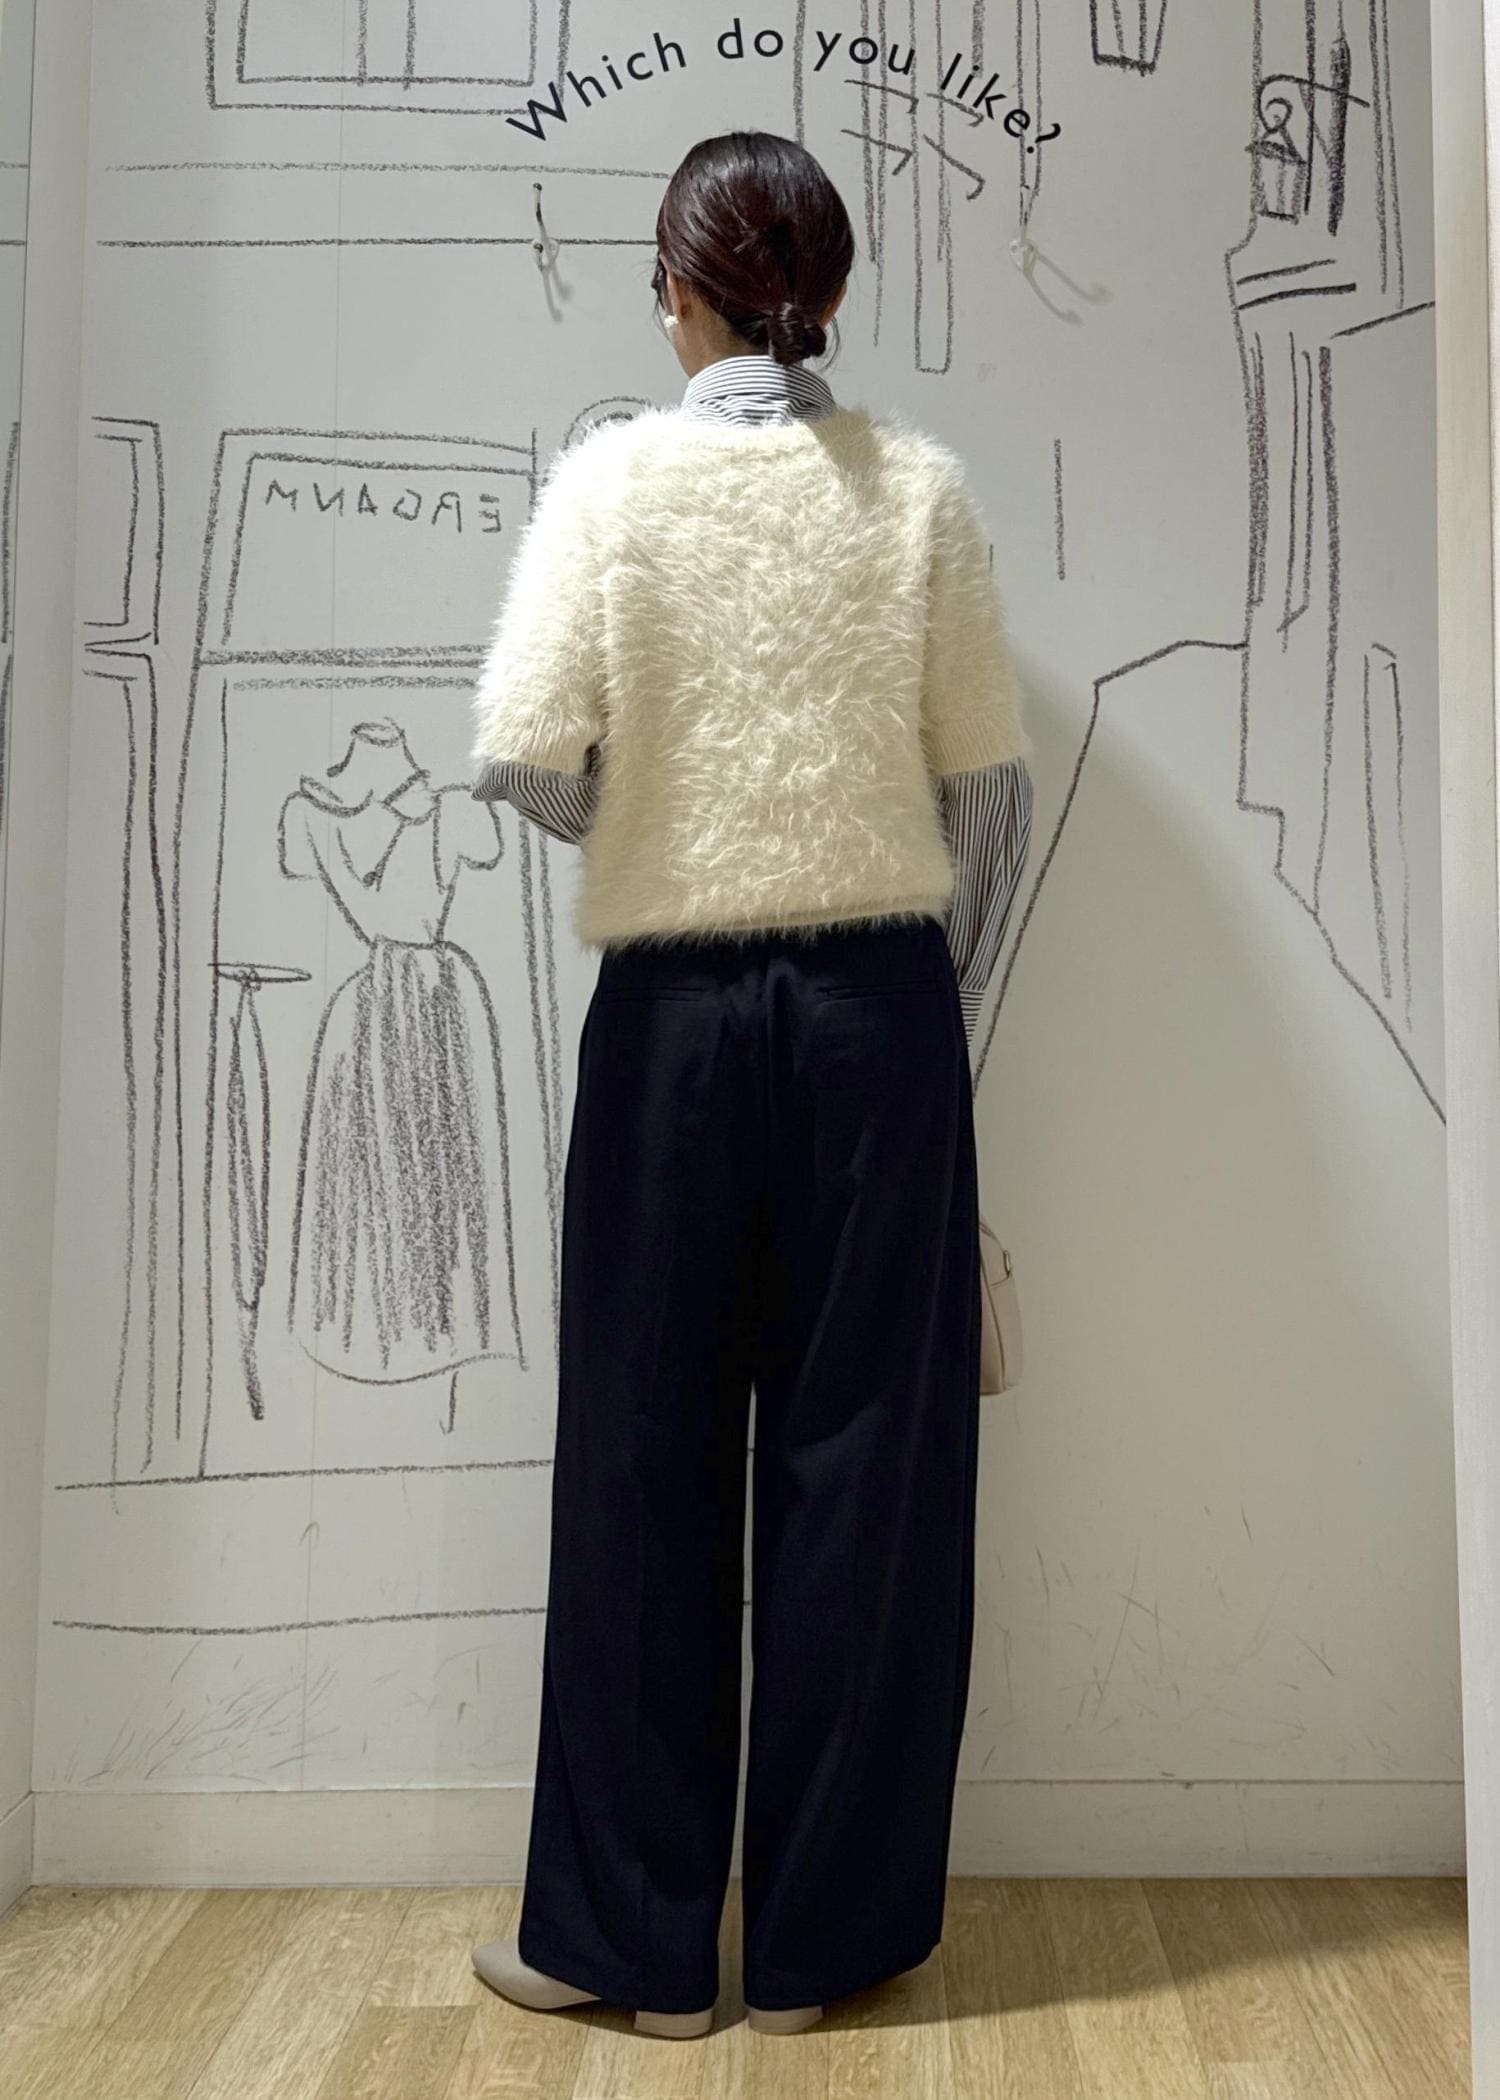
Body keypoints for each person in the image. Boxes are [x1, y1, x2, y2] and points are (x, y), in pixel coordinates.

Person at [466, 130, 1032, 2041]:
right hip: (882, 1016)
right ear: (835, 292)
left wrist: (676, 816)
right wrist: (925, 997)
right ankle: (820, 1951)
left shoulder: (610, 484)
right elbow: (986, 801)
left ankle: (626, 1952)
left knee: (641, 1456)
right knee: (868, 1467)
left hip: (673, 1024)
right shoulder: (918, 491)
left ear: (674, 292)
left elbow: (527, 764)